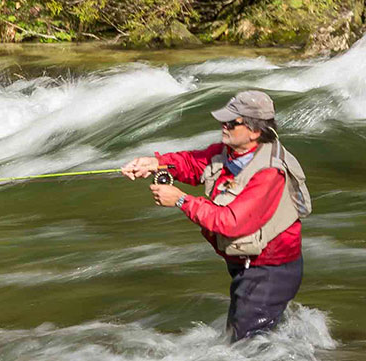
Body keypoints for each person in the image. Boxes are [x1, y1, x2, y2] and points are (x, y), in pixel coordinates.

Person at [118, 90, 314, 342]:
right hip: (248, 265)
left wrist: (180, 199)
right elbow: (195, 163)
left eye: (232, 122)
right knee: (250, 342)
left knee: (245, 348)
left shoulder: (268, 173)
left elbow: (230, 222)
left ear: (255, 131)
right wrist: (155, 163)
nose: (224, 125)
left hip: (269, 270)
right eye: (224, 120)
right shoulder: (232, 153)